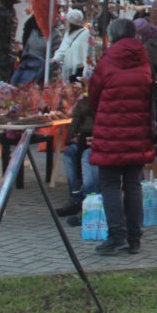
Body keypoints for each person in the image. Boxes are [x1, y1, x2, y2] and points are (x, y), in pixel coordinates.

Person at [88, 18, 153, 256]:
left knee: (110, 183)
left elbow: (92, 96)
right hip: (138, 133)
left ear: (112, 35)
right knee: (133, 184)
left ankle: (117, 235)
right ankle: (134, 237)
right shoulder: (144, 62)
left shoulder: (106, 62)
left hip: (110, 133)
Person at [53, 95, 98, 226]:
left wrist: (99, 139)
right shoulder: (83, 102)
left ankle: (89, 204)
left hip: (107, 140)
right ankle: (75, 198)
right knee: (70, 152)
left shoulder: (110, 99)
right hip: (87, 138)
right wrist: (70, 139)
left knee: (87, 156)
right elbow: (75, 123)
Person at [52, 9, 92, 82]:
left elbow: (63, 50)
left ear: (70, 22)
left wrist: (55, 59)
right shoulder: (87, 34)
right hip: (81, 69)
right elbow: (90, 52)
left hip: (72, 69)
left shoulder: (69, 34)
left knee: (72, 90)